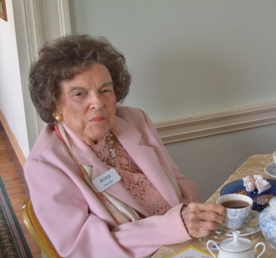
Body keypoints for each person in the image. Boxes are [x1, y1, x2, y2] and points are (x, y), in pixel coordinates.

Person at [25, 35, 224, 258]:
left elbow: (179, 182)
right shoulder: (45, 165)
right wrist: (174, 228)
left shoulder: (136, 120)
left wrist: (195, 224)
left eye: (105, 90)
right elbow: (82, 249)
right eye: (79, 94)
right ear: (54, 103)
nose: (98, 103)